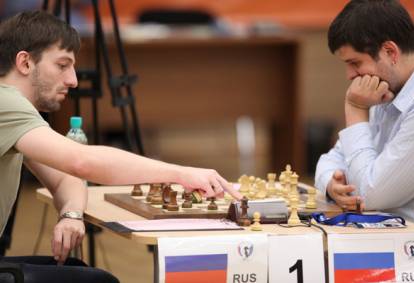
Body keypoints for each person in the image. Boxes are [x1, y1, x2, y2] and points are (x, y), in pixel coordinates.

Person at [0, 10, 242, 283]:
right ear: (25, 62)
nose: (73, 80)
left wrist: (71, 214)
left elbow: (68, 176)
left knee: (80, 271)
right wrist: (182, 174)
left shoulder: (15, 112)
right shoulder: (6, 103)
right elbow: (82, 161)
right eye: (62, 65)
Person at [315, 0, 414, 225]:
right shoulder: (387, 88)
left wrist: (356, 110)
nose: (350, 75)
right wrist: (332, 184)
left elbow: (368, 195)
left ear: (390, 52)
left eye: (355, 63)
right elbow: (331, 160)